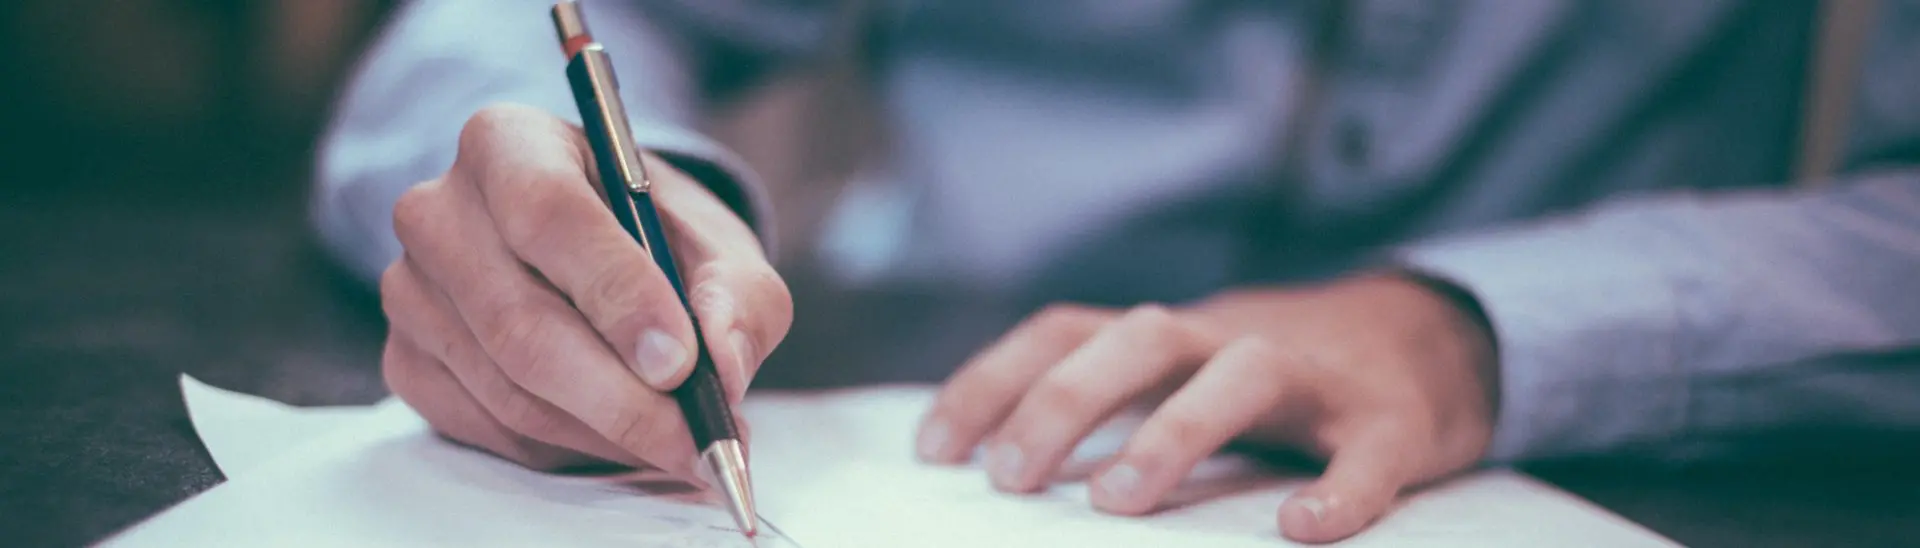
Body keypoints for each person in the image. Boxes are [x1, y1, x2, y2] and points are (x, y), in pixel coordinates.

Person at [314, 0, 1920, 543]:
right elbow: (525, 24)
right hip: (928, 404)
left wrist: (1473, 331)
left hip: (1584, 444)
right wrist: (573, 215)